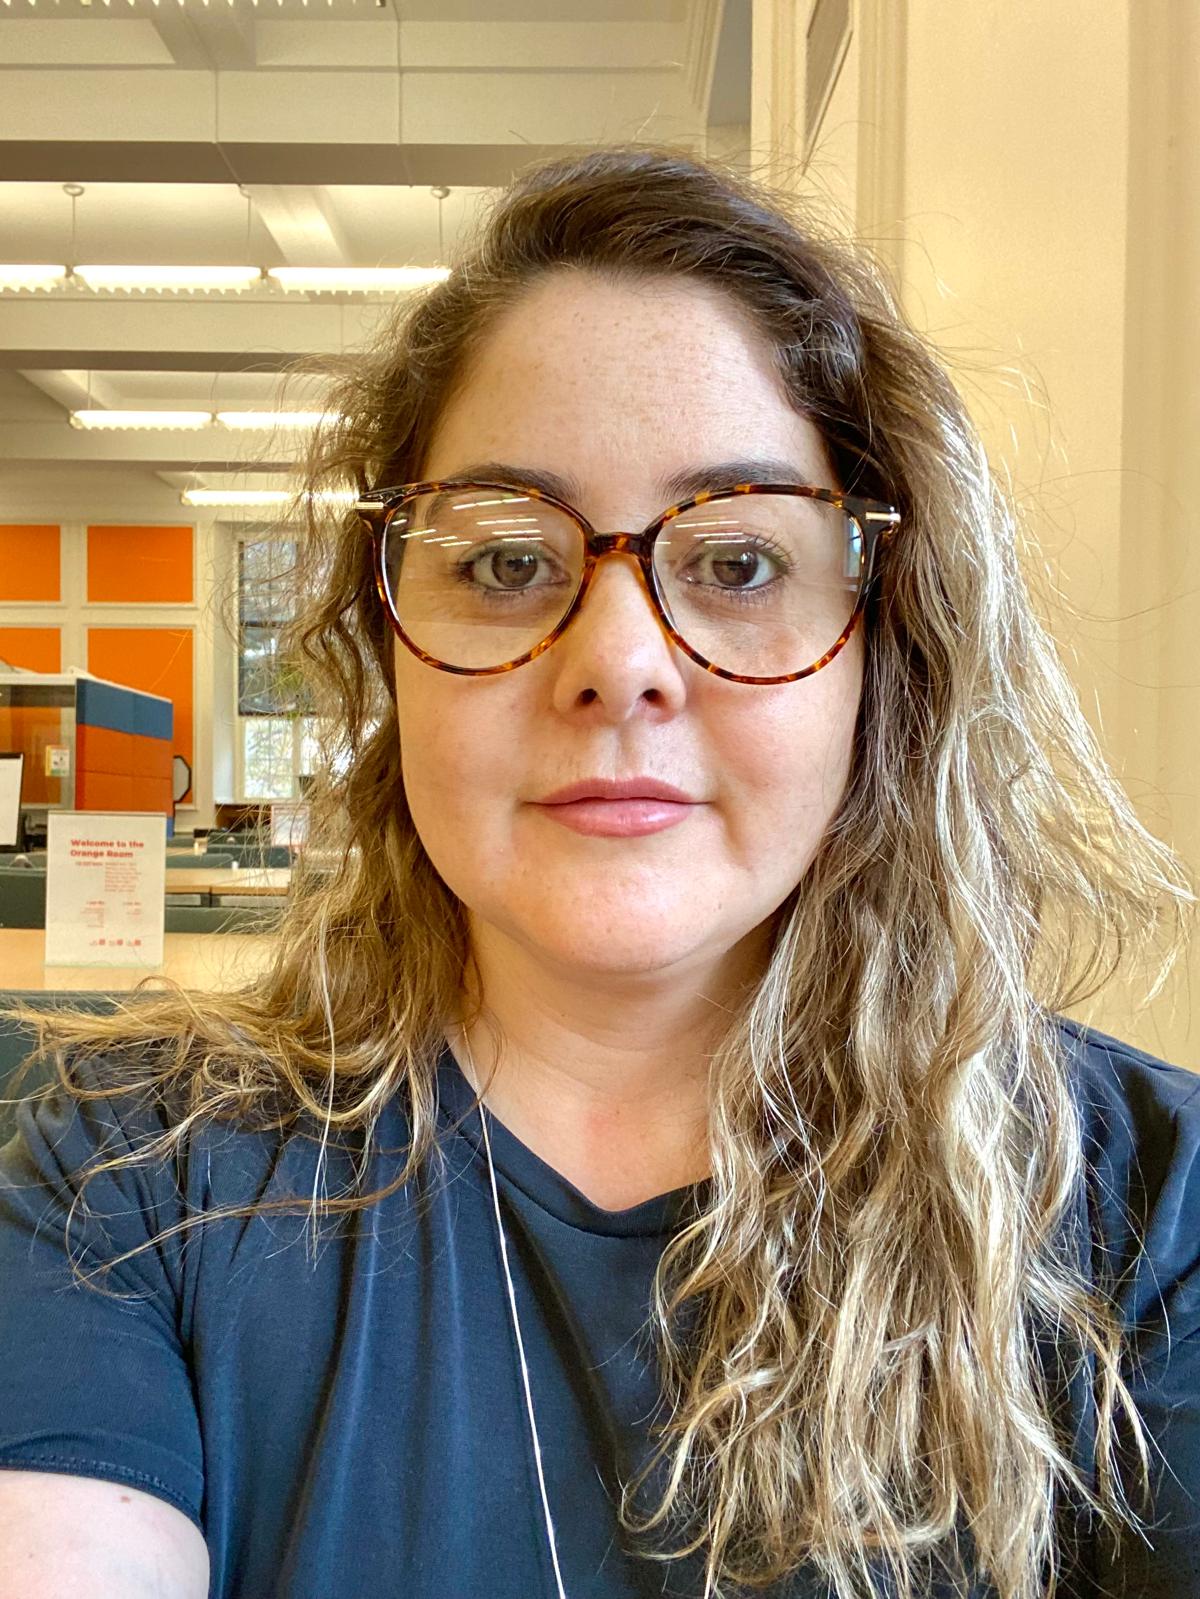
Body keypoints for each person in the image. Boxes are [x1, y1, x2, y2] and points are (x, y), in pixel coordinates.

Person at [0, 144, 1196, 1599]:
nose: (619, 662)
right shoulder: (124, 1177)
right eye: (507, 563)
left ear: (888, 647)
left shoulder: (1144, 1214)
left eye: (740, 562)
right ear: (383, 641)